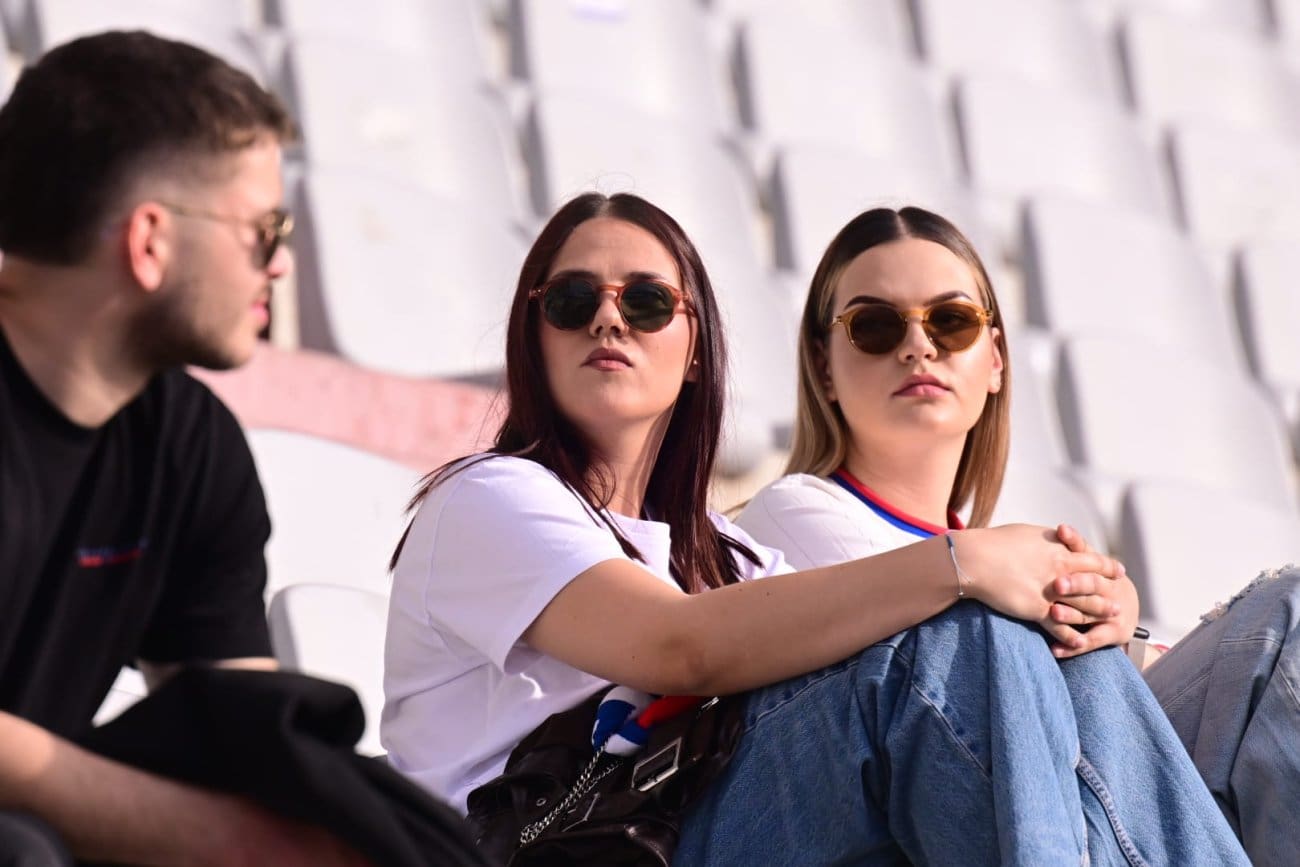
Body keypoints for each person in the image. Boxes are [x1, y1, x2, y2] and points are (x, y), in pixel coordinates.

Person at [382, 192, 1249, 864]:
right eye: (573, 300)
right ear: (531, 335)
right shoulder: (490, 499)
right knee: (956, 635)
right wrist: (962, 560)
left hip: (694, 829)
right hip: (558, 850)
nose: (609, 319)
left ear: (695, 347)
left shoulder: (732, 557)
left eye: (646, 302)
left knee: (1089, 656)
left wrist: (1098, 619)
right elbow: (677, 646)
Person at [732, 203, 1290, 865]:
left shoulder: (1001, 558)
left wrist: (1121, 631)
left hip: (1051, 779)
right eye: (875, 326)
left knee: (1284, 613)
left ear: (995, 358)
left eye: (951, 321)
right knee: (981, 637)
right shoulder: (792, 512)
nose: (918, 346)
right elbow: (953, 664)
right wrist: (1082, 619)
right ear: (824, 367)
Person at [0, 31, 368, 866]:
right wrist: (235, 842)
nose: (281, 265)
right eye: (265, 230)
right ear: (150, 241)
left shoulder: (191, 445)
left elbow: (244, 739)